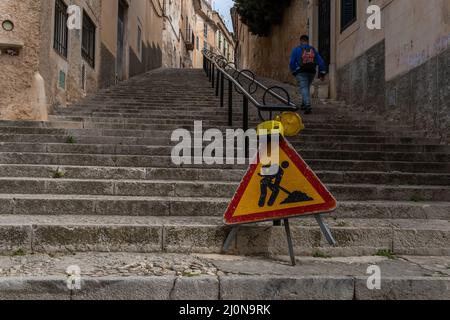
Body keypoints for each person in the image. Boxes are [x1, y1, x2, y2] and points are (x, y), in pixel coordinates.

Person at [289, 35, 327, 114]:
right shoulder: (313, 50)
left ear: (301, 41)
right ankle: (303, 104)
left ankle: (307, 105)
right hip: (311, 72)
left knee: (303, 88)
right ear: (307, 41)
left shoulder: (296, 49)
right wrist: (322, 73)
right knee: (306, 87)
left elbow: (292, 62)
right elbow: (321, 62)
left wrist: (294, 71)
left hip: (301, 72)